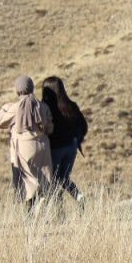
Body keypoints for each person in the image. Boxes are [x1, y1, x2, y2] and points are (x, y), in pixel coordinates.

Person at [0, 76, 54, 211]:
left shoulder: (15, 107)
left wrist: (3, 110)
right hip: (42, 146)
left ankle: (29, 213)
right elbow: (50, 128)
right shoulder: (43, 106)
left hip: (23, 148)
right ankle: (42, 201)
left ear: (18, 90)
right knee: (43, 179)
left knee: (26, 182)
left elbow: (1, 122)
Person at [41, 76, 88, 204]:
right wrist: (77, 139)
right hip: (71, 147)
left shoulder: (46, 108)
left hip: (56, 149)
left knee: (54, 180)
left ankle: (59, 210)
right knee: (63, 178)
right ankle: (78, 196)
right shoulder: (71, 105)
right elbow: (83, 126)